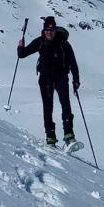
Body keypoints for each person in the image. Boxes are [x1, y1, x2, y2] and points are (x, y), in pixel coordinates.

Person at [17, 16, 80, 146]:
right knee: (48, 107)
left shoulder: (63, 44)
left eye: (51, 30)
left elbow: (73, 62)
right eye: (46, 30)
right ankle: (50, 136)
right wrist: (20, 47)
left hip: (61, 78)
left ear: (55, 30)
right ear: (44, 30)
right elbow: (22, 55)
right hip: (45, 78)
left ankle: (69, 136)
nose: (49, 32)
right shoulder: (39, 42)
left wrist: (76, 79)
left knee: (66, 105)